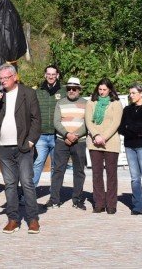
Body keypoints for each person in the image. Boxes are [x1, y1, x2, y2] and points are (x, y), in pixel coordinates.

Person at [0, 64, 41, 234]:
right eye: (0, 78)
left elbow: (36, 120)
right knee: (10, 184)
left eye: (5, 78)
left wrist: (31, 141)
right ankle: (13, 219)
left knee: (26, 182)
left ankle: (33, 220)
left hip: (23, 146)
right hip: (3, 147)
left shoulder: (28, 93)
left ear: (15, 77)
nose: (2, 81)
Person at [48, 76, 88, 210]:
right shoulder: (60, 102)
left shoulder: (86, 103)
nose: (71, 91)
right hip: (61, 141)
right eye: (69, 88)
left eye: (74, 89)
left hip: (79, 141)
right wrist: (67, 134)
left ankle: (77, 200)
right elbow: (56, 122)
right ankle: (54, 199)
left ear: (79, 90)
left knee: (79, 171)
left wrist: (75, 135)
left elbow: (87, 123)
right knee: (58, 170)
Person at [84, 78, 123, 214]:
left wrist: (104, 137)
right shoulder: (91, 102)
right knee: (97, 174)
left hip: (110, 142)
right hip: (94, 142)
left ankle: (111, 204)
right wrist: (96, 136)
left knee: (111, 174)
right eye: (100, 89)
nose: (101, 92)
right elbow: (88, 121)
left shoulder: (116, 103)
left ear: (110, 90)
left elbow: (116, 123)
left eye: (104, 90)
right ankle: (99, 203)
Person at [118, 82, 142, 217]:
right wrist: (134, 128)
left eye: (133, 93)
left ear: (141, 94)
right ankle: (137, 206)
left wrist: (130, 127)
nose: (131, 95)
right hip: (129, 146)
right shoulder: (127, 109)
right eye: (130, 93)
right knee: (134, 178)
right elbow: (121, 128)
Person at [33, 65, 61, 187]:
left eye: (53, 74)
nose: (51, 76)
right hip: (41, 135)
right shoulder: (37, 92)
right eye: (48, 74)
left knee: (56, 165)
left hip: (58, 135)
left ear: (57, 75)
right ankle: (28, 194)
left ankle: (54, 195)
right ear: (45, 75)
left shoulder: (64, 92)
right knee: (37, 163)